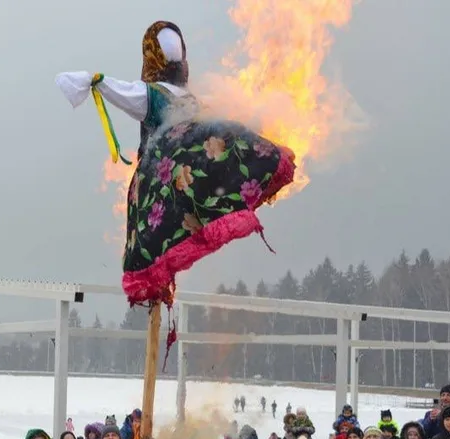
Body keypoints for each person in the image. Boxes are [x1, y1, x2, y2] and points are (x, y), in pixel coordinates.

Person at [56, 21, 294, 308]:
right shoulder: (158, 95)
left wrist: (93, 81)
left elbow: (212, 125)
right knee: (160, 242)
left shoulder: (173, 97)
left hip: (174, 183)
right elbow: (122, 91)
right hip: (167, 185)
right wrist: (95, 81)